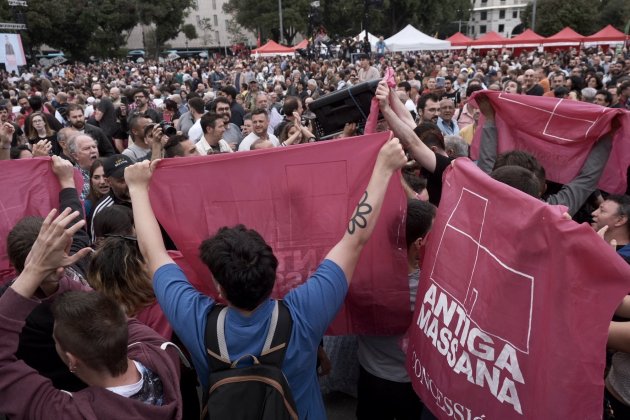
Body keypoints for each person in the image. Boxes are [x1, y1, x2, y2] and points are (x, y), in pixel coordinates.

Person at [124, 135, 407, 420]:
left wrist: (137, 188)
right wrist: (382, 169)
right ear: (274, 276)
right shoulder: (304, 313)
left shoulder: (193, 318)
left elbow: (153, 253)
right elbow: (354, 239)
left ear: (219, 287)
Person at [0, 208, 184, 419]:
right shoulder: (162, 354)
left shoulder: (68, 412)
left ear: (72, 360)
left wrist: (34, 271)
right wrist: (54, 278)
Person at [356, 199, 436, 420]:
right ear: (419, 243)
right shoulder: (430, 290)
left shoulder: (362, 273)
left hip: (369, 372)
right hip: (409, 382)